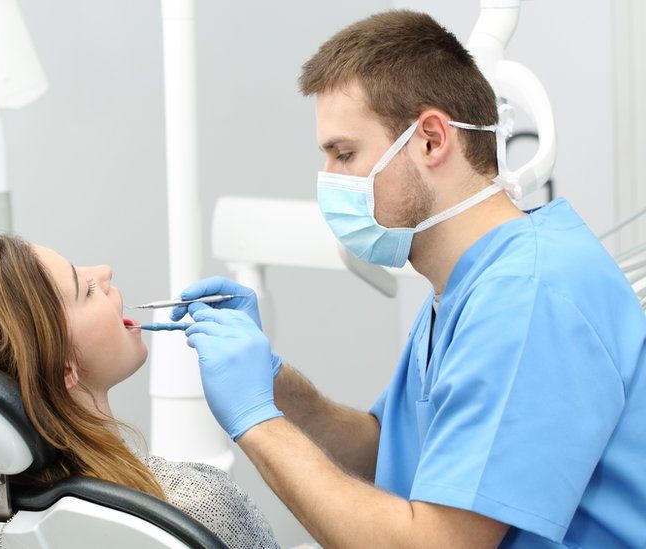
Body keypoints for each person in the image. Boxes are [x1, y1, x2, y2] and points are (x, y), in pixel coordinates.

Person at [171, 10, 646, 548]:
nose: (328, 182)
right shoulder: (467, 284)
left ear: (430, 140)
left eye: (345, 154)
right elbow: (390, 451)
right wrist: (271, 381)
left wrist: (257, 422)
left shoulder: (527, 295)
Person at [0, 234, 279, 548]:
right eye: (86, 289)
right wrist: (261, 415)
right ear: (65, 368)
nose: (105, 271)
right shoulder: (194, 506)